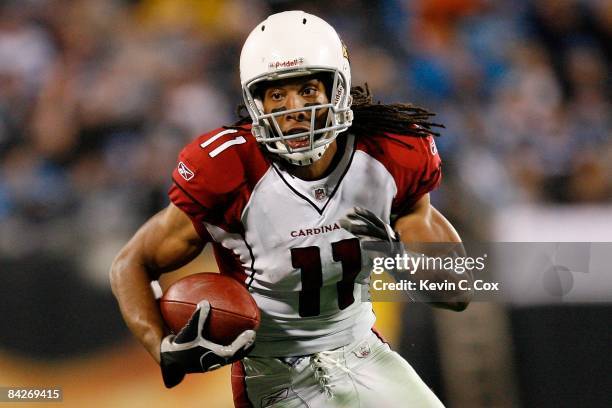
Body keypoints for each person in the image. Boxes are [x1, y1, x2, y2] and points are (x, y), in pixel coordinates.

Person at [110, 10, 472, 408]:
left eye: (308, 89)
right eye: (277, 94)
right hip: (274, 375)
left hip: (363, 353)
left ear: (338, 89)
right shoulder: (227, 168)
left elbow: (455, 292)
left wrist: (401, 257)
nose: (292, 108)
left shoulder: (390, 155)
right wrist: (161, 346)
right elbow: (132, 263)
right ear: (255, 101)